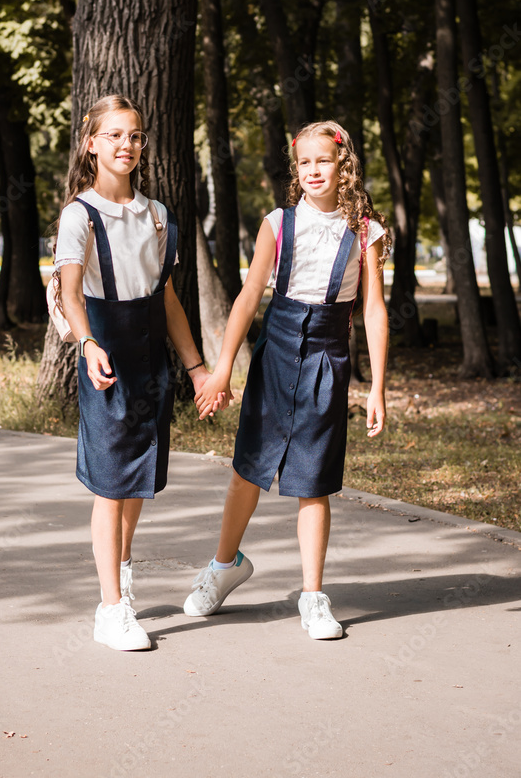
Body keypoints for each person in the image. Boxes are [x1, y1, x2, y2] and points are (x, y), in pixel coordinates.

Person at [185, 121, 390, 639]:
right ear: (296, 170)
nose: (314, 170)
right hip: (275, 355)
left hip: (326, 358)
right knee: (248, 469)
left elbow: (373, 311)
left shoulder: (366, 231)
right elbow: (250, 296)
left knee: (313, 480)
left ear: (345, 167)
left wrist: (379, 388)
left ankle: (314, 596)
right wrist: (224, 367)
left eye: (324, 160)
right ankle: (224, 566)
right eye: (305, 163)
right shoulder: (278, 224)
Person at [53, 94, 220, 652]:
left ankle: (120, 572)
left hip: (151, 356)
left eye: (136, 135)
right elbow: (72, 294)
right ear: (92, 142)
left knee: (137, 479)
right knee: (109, 482)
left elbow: (166, 298)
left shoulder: (156, 215)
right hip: (106, 351)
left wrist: (197, 368)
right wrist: (88, 343)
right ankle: (110, 610)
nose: (127, 145)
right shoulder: (79, 214)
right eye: (116, 135)